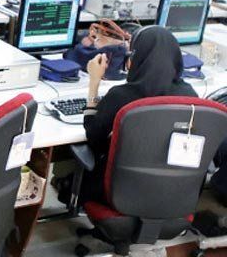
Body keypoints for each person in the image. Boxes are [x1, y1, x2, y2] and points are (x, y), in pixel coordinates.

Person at [80, 26, 197, 203]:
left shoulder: (121, 96)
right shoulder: (190, 96)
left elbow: (93, 136)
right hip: (172, 194)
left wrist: (94, 83)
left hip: (120, 193)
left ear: (135, 59)